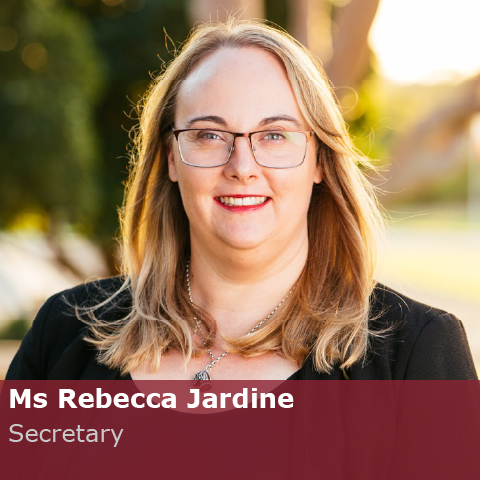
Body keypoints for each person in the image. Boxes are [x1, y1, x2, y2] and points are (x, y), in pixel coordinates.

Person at [6, 19, 477, 381]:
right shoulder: (64, 334)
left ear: (319, 160)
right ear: (171, 159)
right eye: (210, 135)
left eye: (274, 135)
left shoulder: (416, 353)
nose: (242, 166)